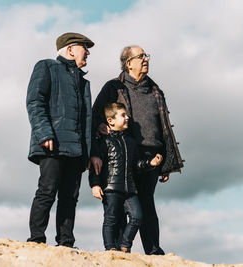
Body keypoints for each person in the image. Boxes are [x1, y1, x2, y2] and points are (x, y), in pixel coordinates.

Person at [91, 45, 184, 255]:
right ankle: (118, 250)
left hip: (152, 156)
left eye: (146, 56)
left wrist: (167, 162)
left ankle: (153, 250)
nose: (145, 59)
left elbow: (164, 126)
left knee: (146, 205)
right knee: (119, 204)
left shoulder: (155, 89)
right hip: (123, 152)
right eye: (140, 56)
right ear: (128, 62)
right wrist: (98, 130)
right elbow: (96, 114)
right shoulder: (113, 87)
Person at [26, 32, 94, 247]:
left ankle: (66, 243)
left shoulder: (83, 82)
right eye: (85, 47)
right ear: (71, 48)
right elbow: (35, 101)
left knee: (70, 198)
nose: (88, 52)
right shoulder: (46, 66)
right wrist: (44, 133)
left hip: (76, 149)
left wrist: (88, 153)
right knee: (47, 191)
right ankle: (36, 239)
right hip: (52, 143)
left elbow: (87, 119)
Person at [89, 102, 163, 252]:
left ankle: (125, 245)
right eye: (123, 115)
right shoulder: (103, 141)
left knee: (137, 217)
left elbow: (137, 164)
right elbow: (96, 166)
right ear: (111, 121)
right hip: (110, 188)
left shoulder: (131, 142)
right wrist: (95, 185)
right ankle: (110, 249)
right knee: (111, 219)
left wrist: (151, 163)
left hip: (130, 188)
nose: (127, 117)